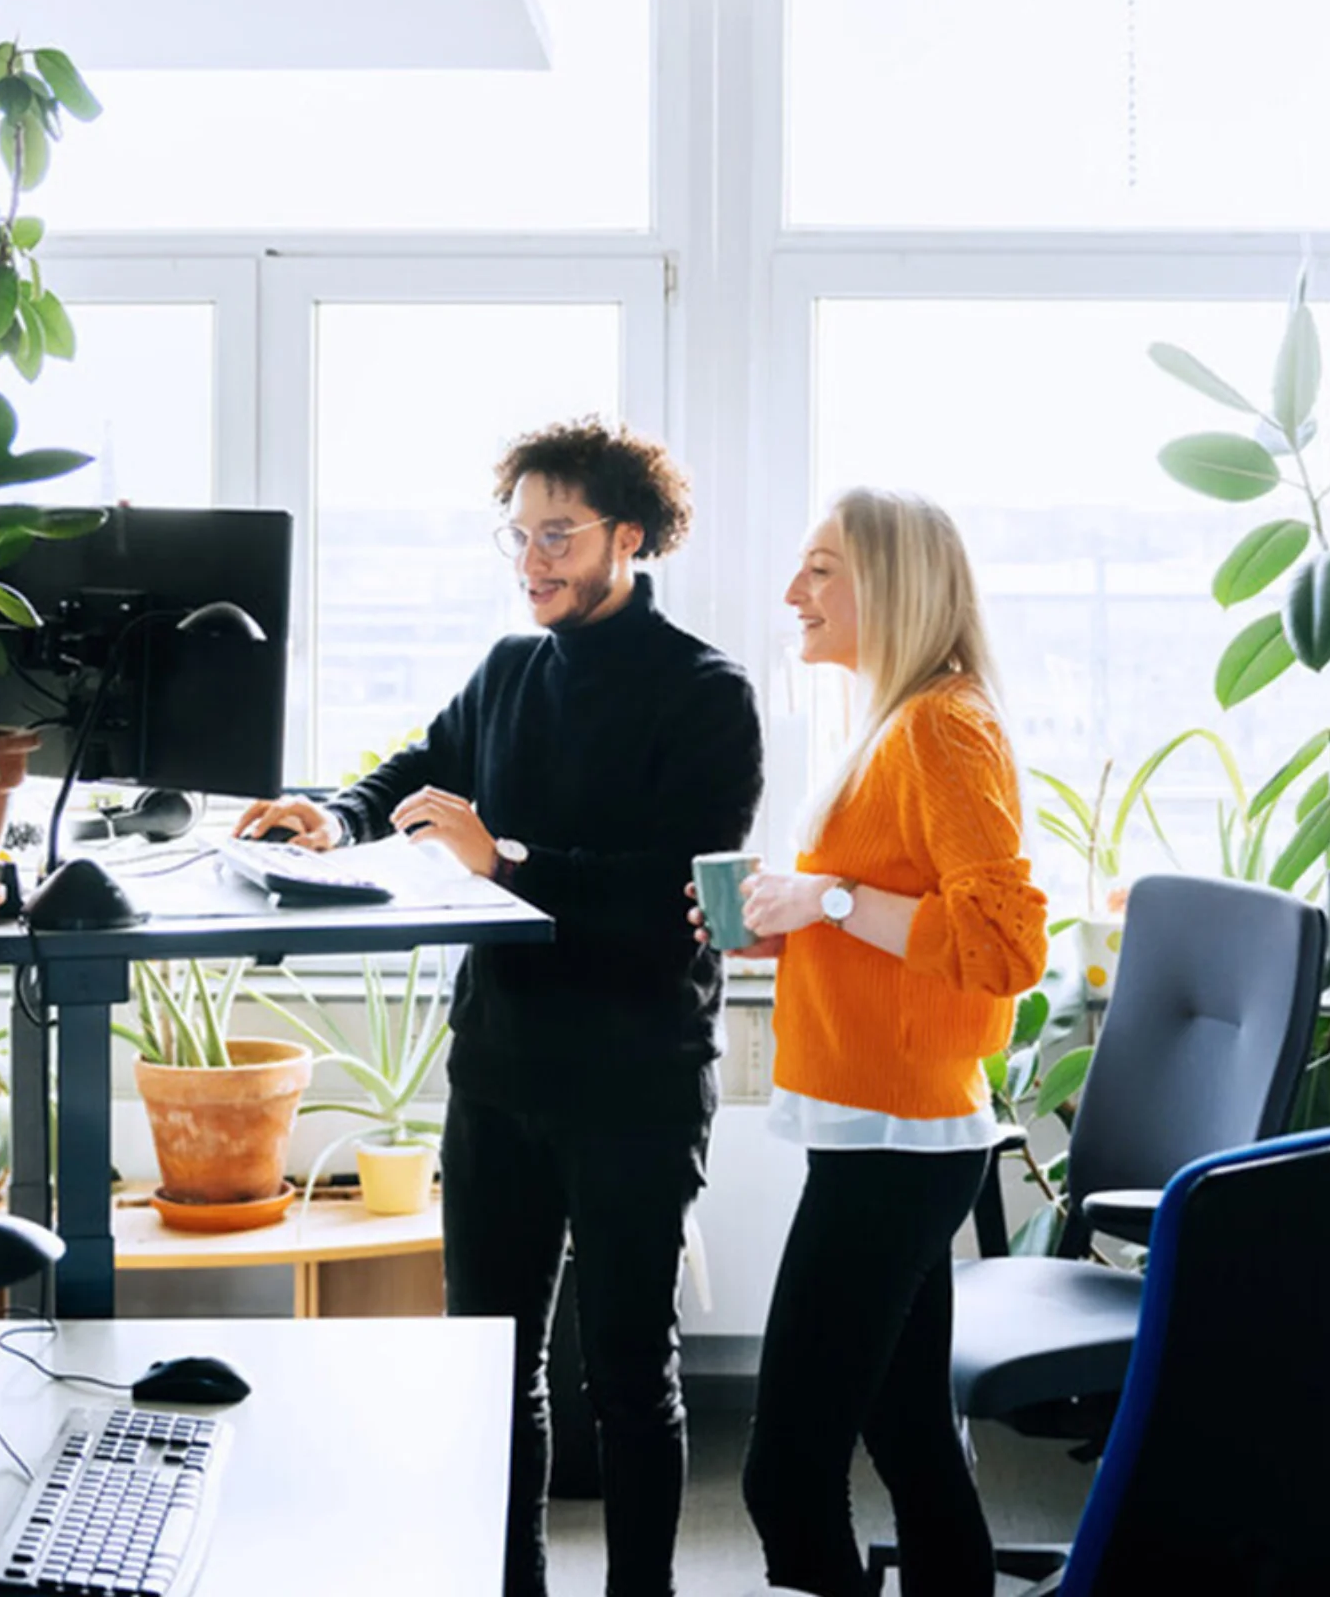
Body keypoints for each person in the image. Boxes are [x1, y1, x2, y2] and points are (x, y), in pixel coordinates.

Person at [239, 418, 764, 1597]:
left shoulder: (706, 694)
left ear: (631, 537)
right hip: (503, 1067)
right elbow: (417, 777)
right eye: (519, 535)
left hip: (633, 1072)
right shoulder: (508, 669)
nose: (534, 559)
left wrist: (509, 862)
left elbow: (673, 897)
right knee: (492, 1363)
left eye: (560, 535)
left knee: (630, 1369)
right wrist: (330, 813)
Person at [702, 488, 1047, 1597]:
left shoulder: (943, 727)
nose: (791, 594)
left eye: (819, 570)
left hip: (902, 1138)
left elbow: (1001, 947)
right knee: (906, 1437)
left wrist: (833, 901)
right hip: (884, 1125)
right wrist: (795, 925)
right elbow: (897, 920)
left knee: (783, 1475)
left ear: (890, 584)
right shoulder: (893, 725)